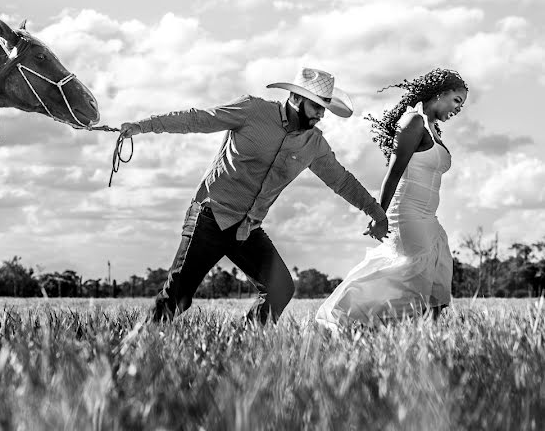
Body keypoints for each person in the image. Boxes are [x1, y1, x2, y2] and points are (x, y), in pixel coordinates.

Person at [120, 67, 389, 324]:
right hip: (210, 216)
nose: (321, 115)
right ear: (295, 98)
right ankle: (134, 344)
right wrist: (142, 126)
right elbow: (197, 118)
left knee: (280, 289)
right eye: (317, 106)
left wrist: (376, 213)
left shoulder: (314, 144)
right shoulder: (252, 110)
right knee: (177, 297)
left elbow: (342, 180)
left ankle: (240, 341)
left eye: (324, 108)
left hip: (246, 229)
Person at [315, 69, 468, 330]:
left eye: (461, 105)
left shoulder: (433, 128)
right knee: (412, 274)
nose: (458, 108)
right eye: (456, 100)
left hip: (429, 217)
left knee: (440, 270)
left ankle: (427, 334)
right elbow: (393, 173)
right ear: (440, 94)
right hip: (407, 213)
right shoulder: (413, 122)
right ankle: (350, 315)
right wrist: (379, 215)